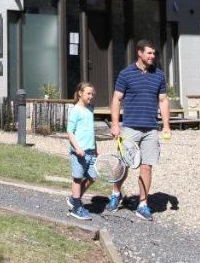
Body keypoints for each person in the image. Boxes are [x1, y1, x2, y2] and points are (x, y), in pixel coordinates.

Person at [108, 39, 171, 222]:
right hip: (130, 128)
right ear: (140, 53)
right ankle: (115, 193)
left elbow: (163, 100)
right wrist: (115, 124)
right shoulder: (126, 74)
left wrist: (166, 125)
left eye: (154, 53)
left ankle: (142, 204)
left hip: (151, 129)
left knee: (146, 166)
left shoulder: (159, 75)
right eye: (149, 53)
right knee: (123, 164)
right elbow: (116, 99)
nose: (153, 56)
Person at [65, 82, 98, 220]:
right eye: (88, 93)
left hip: (90, 151)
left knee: (92, 177)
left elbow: (91, 131)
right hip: (78, 152)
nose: (91, 96)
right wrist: (77, 148)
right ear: (80, 93)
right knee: (77, 179)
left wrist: (96, 147)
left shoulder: (90, 109)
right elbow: (69, 132)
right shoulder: (75, 110)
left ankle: (74, 198)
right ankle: (77, 207)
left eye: (92, 94)